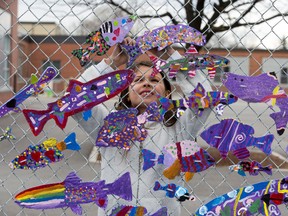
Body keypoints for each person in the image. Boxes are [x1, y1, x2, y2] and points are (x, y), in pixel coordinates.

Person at [73, 37, 212, 215]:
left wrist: (171, 58)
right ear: (127, 93)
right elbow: (75, 100)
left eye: (154, 80)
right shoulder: (109, 126)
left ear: (168, 93)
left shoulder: (179, 128)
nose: (147, 83)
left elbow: (206, 98)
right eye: (138, 80)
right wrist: (111, 63)